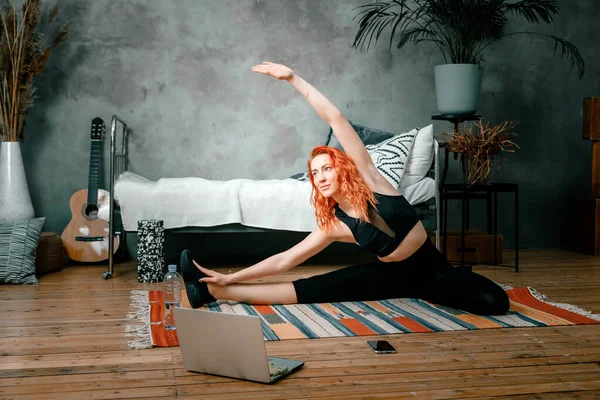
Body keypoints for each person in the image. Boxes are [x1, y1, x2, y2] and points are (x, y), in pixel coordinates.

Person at [180, 61, 509, 316]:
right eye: (314, 173)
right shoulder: (334, 225)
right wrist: (230, 277)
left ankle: (215, 290)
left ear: (341, 170)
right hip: (389, 275)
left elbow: (336, 118)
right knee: (310, 288)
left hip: (433, 272)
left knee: (496, 301)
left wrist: (293, 79)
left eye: (327, 168)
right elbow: (284, 260)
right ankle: (210, 292)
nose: (321, 176)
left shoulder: (373, 180)